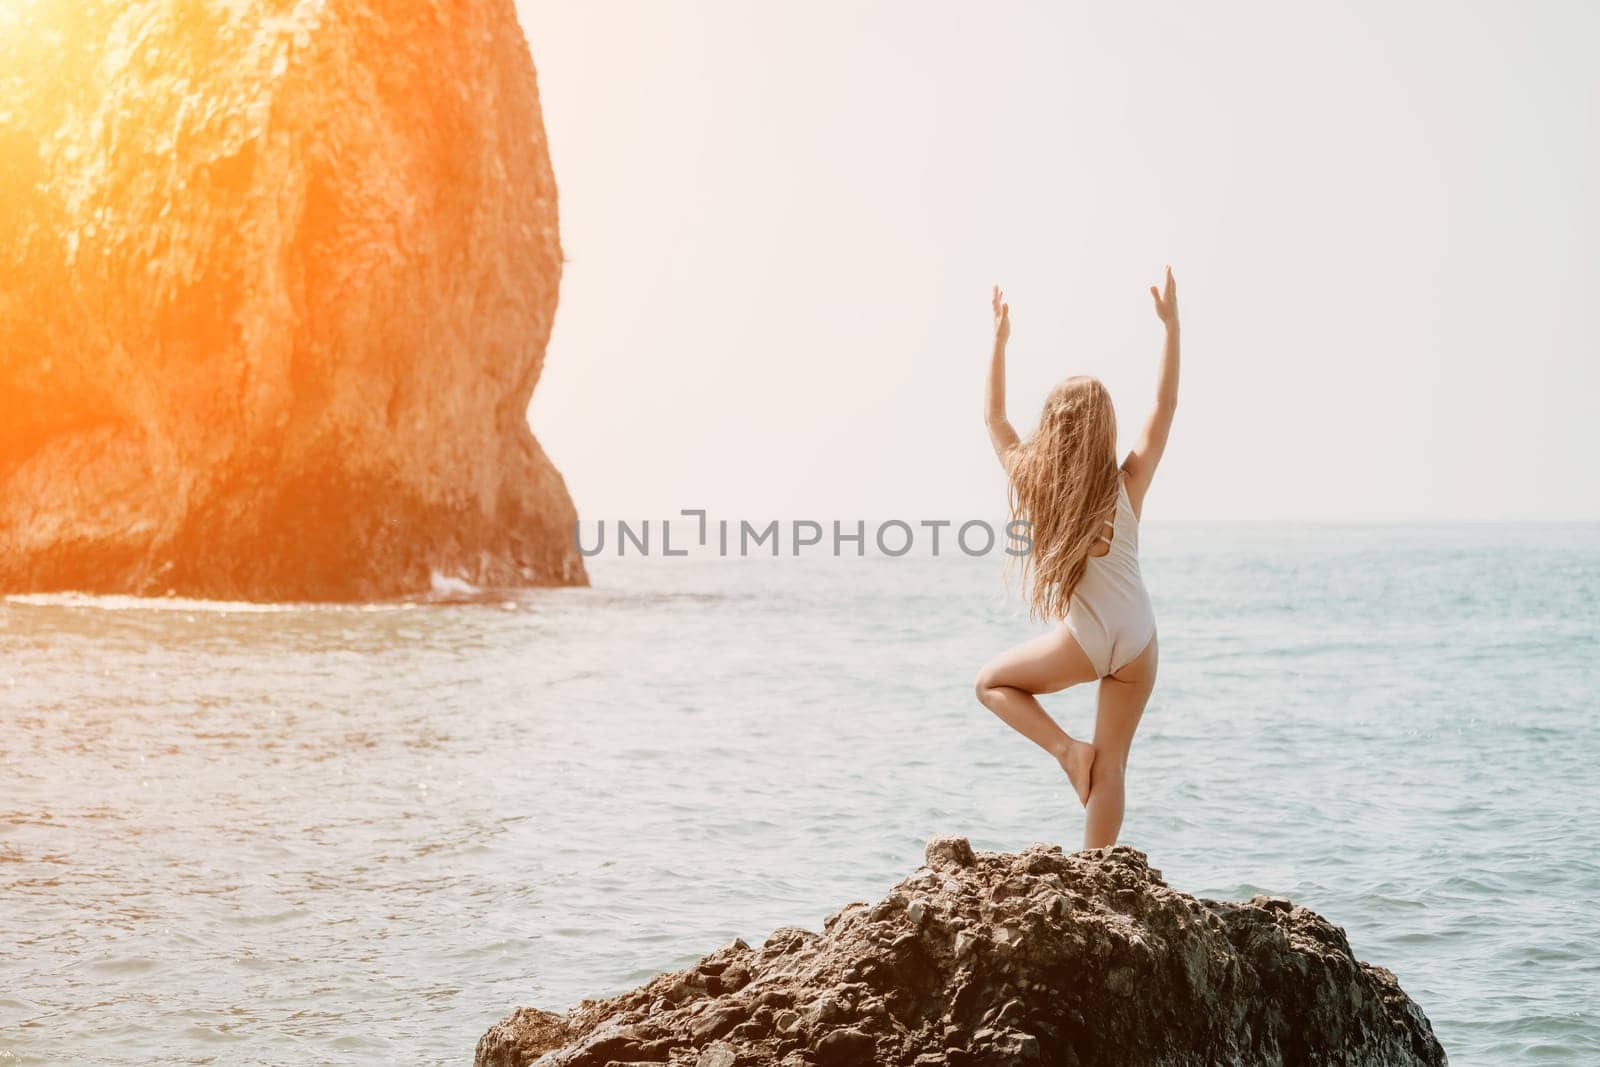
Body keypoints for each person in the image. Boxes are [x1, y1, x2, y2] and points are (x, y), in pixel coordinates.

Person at [975, 268, 1180, 849]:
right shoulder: (1129, 482)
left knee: (992, 683)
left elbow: (995, 421)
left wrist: (998, 341)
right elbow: (1166, 404)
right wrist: (1171, 325)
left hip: (1087, 639)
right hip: (1138, 638)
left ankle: (1067, 752)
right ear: (1104, 428)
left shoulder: (1039, 485)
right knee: (1113, 765)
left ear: (1054, 428)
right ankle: (1097, 874)